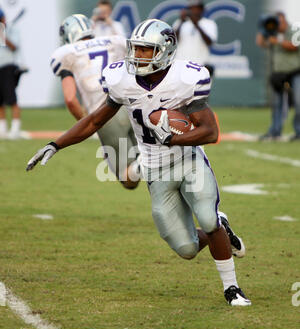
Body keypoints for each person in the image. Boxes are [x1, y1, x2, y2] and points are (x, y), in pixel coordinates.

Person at [26, 19, 251, 306]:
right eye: (136, 49)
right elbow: (94, 119)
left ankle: (231, 288)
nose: (138, 56)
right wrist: (55, 144)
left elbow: (210, 131)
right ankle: (221, 227)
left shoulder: (185, 78)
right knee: (186, 248)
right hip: (155, 169)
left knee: (206, 216)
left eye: (146, 50)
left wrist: (173, 139)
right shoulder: (123, 80)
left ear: (165, 51)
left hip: (188, 160)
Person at [51, 14, 140, 189]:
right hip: (134, 106)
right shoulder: (115, 41)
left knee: (129, 179)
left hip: (106, 115)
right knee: (156, 164)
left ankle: (141, 165)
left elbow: (70, 100)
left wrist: (87, 125)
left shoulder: (67, 53)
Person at [256, 12, 300, 141]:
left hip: (295, 71)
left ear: (285, 21)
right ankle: (275, 131)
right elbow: (261, 43)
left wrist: (278, 41)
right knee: (276, 104)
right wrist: (262, 28)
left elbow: (294, 46)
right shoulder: (271, 32)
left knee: (298, 102)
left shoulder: (294, 30)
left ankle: (299, 131)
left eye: (280, 22)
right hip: (278, 73)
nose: (278, 25)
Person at [173, 0, 218, 77]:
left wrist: (196, 24)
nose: (193, 11)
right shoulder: (179, 23)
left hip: (201, 66)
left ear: (202, 10)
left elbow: (209, 42)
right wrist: (181, 22)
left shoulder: (209, 23)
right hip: (181, 65)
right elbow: (173, 41)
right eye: (191, 8)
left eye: (196, 8)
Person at [0, 8, 22, 139]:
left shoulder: (12, 29)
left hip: (8, 67)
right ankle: (2, 130)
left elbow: (14, 47)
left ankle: (15, 130)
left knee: (12, 99)